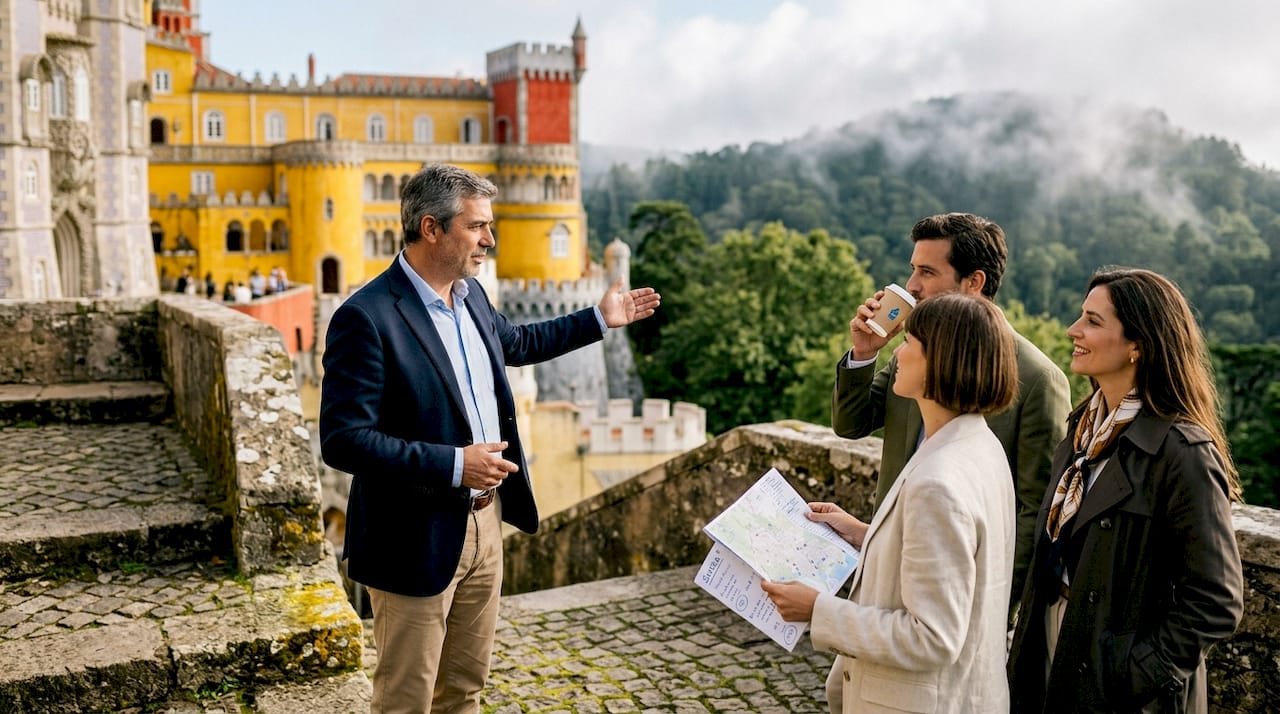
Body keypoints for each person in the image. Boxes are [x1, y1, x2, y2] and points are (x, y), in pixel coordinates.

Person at [320, 163, 659, 713]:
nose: (490, 239)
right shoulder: (367, 317)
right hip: (412, 534)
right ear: (431, 228)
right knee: (406, 700)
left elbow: (518, 341)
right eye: (477, 226)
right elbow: (343, 440)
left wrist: (598, 318)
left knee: (465, 690)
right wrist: (455, 465)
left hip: (483, 523)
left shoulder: (471, 296)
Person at [764, 293, 1020, 713]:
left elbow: (932, 638)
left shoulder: (940, 480)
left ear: (941, 361)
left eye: (910, 343)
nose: (897, 352)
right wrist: (866, 534)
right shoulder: (979, 444)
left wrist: (818, 610)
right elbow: (955, 564)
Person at [1007, 268, 1243, 713]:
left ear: (1138, 344)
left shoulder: (1183, 452)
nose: (1073, 330)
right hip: (1055, 639)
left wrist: (1130, 674)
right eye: (1081, 316)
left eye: (1094, 321)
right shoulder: (1081, 430)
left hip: (1120, 679)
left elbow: (1216, 601)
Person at [832, 212, 1071, 617]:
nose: (911, 286)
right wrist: (865, 353)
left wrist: (991, 607)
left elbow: (1035, 512)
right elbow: (851, 425)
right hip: (887, 573)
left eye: (927, 272)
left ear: (974, 283)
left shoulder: (1038, 379)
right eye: (913, 270)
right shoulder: (913, 351)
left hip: (964, 595)